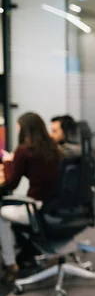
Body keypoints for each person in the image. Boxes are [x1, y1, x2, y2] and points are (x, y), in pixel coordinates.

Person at [0, 112, 62, 283]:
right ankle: (26, 252)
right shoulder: (53, 147)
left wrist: (7, 161)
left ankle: (10, 263)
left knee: (1, 213)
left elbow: (11, 184)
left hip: (37, 209)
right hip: (56, 205)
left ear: (24, 130)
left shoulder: (24, 150)